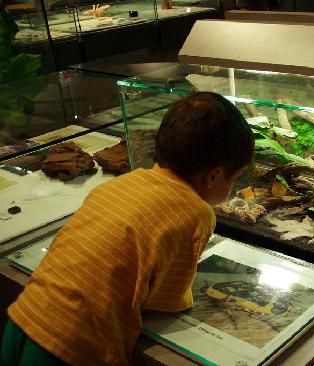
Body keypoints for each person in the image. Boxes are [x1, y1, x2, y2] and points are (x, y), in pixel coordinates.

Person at [0, 92, 255, 366]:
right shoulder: (197, 213)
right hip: (75, 347)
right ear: (214, 175)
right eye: (235, 178)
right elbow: (165, 300)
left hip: (23, 318)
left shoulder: (124, 183)